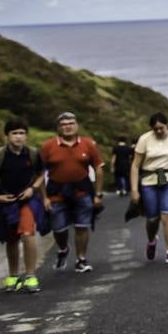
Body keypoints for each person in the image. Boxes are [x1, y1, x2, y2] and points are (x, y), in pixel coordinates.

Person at [0, 119, 46, 292]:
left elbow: (41, 174)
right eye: (14, 133)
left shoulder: (33, 153)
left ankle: (30, 276)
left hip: (27, 200)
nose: (18, 137)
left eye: (22, 133)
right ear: (7, 136)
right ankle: (14, 276)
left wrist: (33, 189)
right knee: (11, 239)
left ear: (26, 136)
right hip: (6, 202)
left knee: (27, 233)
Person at [40, 111, 104, 274]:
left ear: (77, 125)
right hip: (57, 192)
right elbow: (39, 173)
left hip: (82, 190)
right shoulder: (48, 146)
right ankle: (62, 248)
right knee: (59, 228)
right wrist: (44, 197)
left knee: (82, 226)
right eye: (63, 124)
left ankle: (81, 259)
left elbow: (98, 168)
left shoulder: (88, 144)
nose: (67, 127)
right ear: (58, 128)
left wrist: (97, 194)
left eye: (70, 123)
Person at [131, 112, 168, 264]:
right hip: (149, 181)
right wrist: (134, 190)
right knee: (152, 218)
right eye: (155, 129)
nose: (158, 131)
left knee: (167, 214)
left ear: (166, 125)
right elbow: (135, 165)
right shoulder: (144, 139)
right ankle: (151, 240)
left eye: (161, 128)